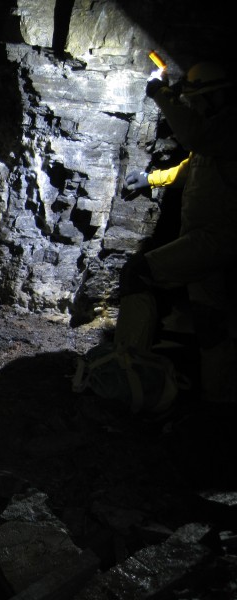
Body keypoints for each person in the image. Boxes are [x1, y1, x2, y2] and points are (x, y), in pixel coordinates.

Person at [120, 61, 237, 405]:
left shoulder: (230, 127)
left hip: (216, 239)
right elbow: (191, 167)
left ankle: (126, 373)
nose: (196, 109)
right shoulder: (217, 136)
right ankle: (218, 405)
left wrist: (161, 92)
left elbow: (194, 135)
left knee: (138, 273)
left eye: (200, 101)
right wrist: (151, 179)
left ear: (218, 98)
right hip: (208, 239)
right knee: (211, 323)